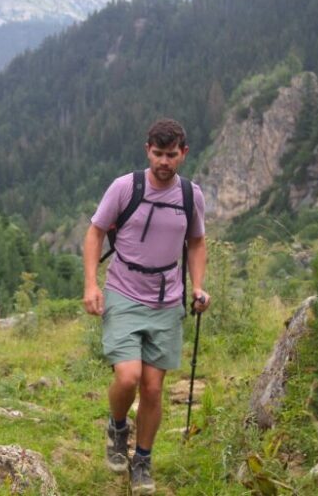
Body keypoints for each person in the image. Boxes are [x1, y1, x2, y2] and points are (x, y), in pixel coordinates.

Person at [83, 118, 210, 495]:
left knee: (153, 389)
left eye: (171, 155)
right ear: (147, 151)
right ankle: (118, 426)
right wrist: (91, 284)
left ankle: (142, 460)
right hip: (123, 292)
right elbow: (95, 231)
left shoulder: (190, 195)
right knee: (128, 377)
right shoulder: (125, 188)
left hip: (166, 299)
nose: (164, 162)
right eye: (157, 154)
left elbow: (196, 242)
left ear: (183, 154)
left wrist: (198, 286)